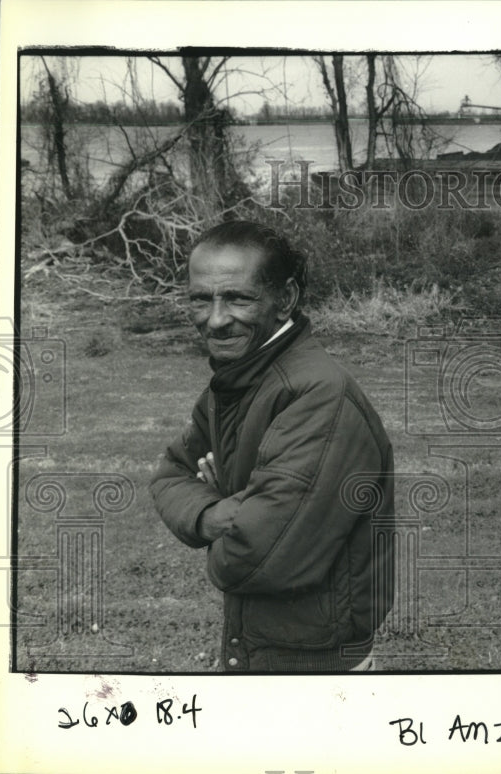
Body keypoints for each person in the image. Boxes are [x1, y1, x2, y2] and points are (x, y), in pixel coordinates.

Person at [149, 220, 394, 672]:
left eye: (238, 298)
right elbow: (170, 474)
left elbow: (254, 559)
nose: (216, 319)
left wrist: (237, 516)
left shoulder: (319, 395)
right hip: (258, 651)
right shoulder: (240, 379)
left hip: (319, 672)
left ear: (286, 300)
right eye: (201, 299)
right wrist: (212, 514)